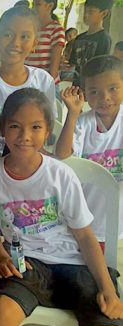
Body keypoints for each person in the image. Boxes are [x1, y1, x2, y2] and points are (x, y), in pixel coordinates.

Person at [0, 87, 123, 326]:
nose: (25, 136)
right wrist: (2, 257)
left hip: (74, 262)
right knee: (2, 313)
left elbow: (85, 237)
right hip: (25, 264)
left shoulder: (60, 174)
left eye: (35, 127)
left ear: (47, 131)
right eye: (15, 126)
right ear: (3, 128)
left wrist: (107, 287)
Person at [0, 6, 57, 159]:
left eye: (24, 37)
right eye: (8, 34)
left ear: (34, 43)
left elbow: (48, 127)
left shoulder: (43, 81)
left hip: (32, 160)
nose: (15, 43)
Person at [55, 55, 123, 242]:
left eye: (113, 88)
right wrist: (73, 114)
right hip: (86, 215)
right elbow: (62, 154)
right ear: (84, 93)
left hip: (117, 216)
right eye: (94, 92)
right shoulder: (84, 123)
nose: (105, 98)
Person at [69, 0, 113, 86]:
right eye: (85, 10)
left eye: (91, 11)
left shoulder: (104, 39)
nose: (85, 15)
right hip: (76, 86)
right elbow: (72, 63)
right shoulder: (79, 38)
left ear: (104, 13)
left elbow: (101, 68)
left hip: (93, 87)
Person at [26, 0, 65, 85]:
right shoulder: (30, 28)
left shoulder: (56, 29)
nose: (33, 8)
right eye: (33, 5)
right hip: (28, 82)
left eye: (38, 4)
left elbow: (55, 63)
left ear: (50, 6)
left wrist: (47, 85)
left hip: (45, 83)